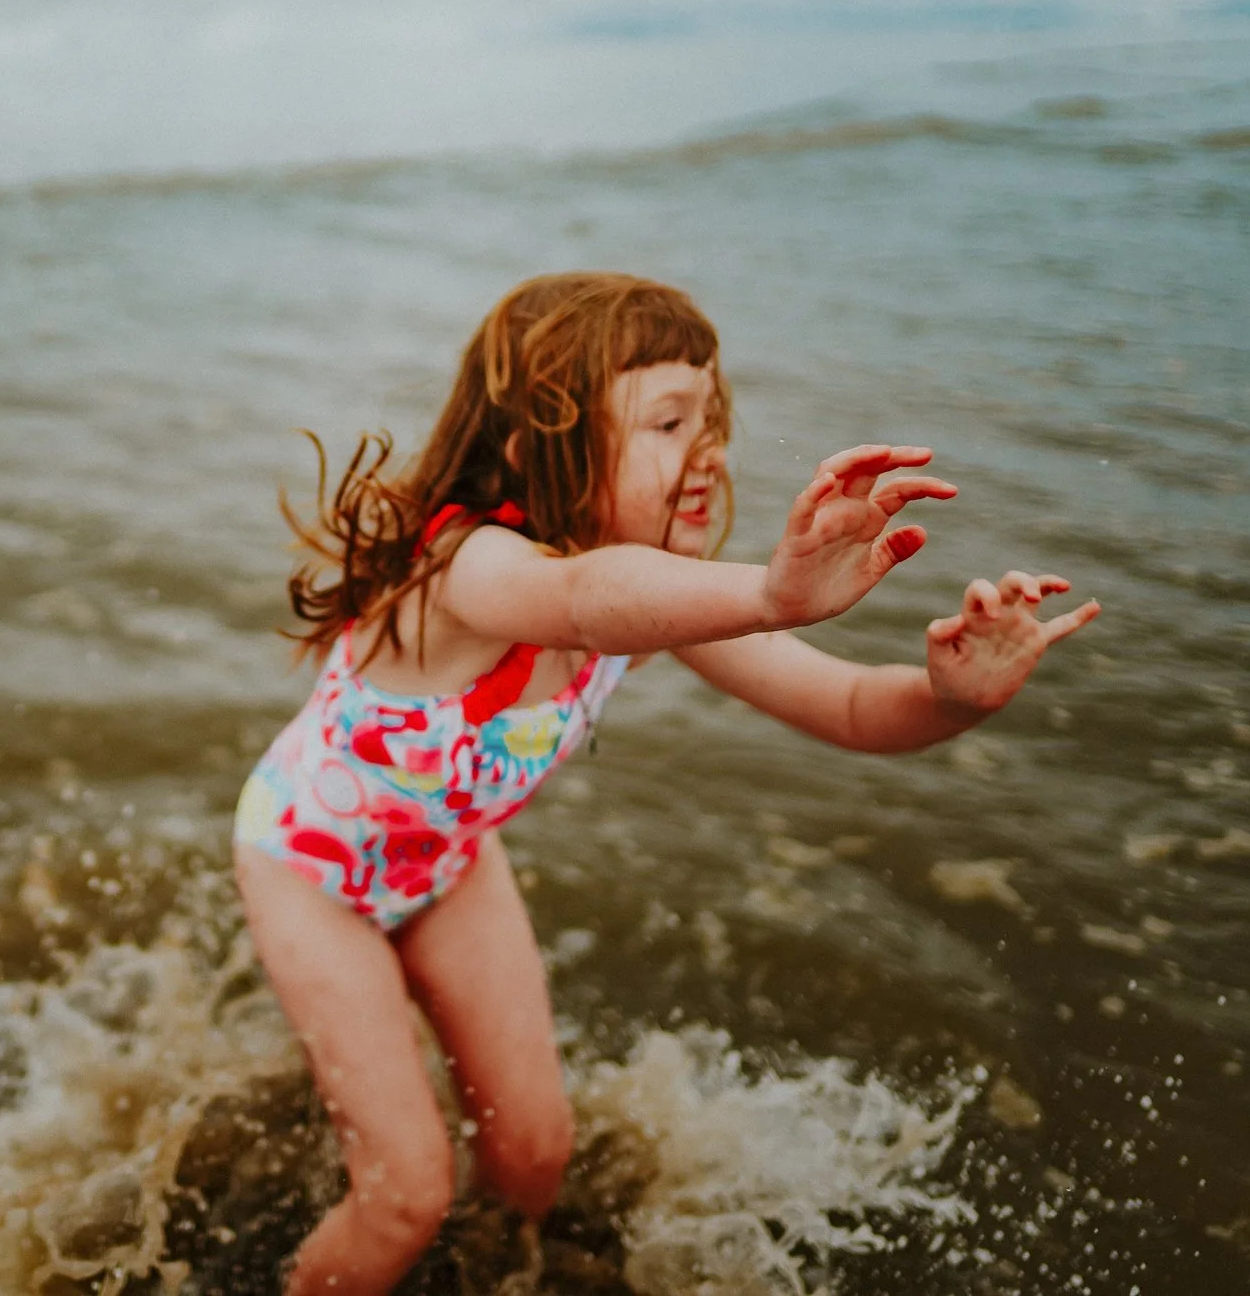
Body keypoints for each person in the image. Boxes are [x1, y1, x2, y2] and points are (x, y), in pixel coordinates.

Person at [230, 272, 1100, 1294]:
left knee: (534, 1158)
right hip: (309, 872)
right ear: (532, 447)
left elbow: (854, 708)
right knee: (404, 1195)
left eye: (711, 413)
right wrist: (773, 593)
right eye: (666, 420)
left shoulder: (664, 586)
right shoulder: (468, 570)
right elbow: (580, 597)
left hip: (448, 861)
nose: (709, 448)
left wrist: (954, 700)